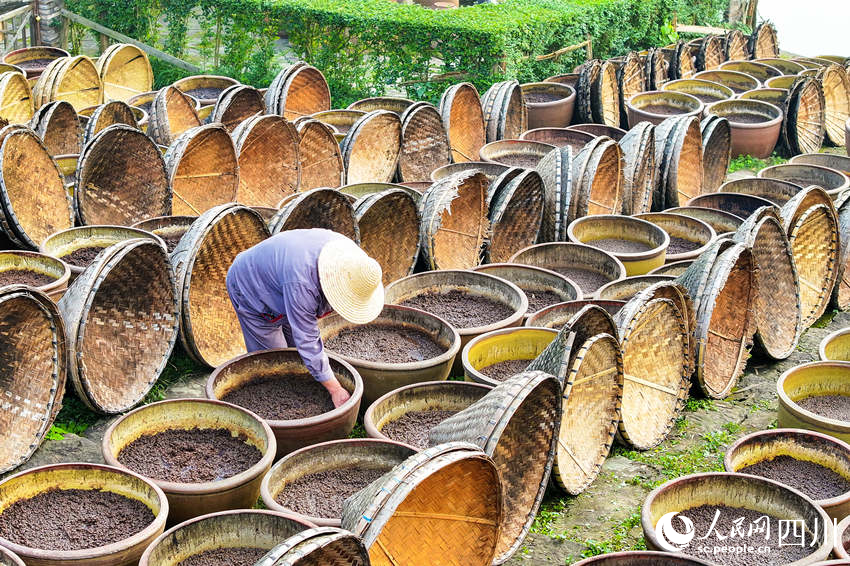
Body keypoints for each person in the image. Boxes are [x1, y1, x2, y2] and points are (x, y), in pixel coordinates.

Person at [226, 228, 384, 408]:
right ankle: (275, 410)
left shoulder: (354, 261)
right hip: (251, 286)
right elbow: (307, 339)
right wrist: (335, 389)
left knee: (298, 352)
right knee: (274, 362)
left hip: (283, 281)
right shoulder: (303, 283)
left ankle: (301, 387)